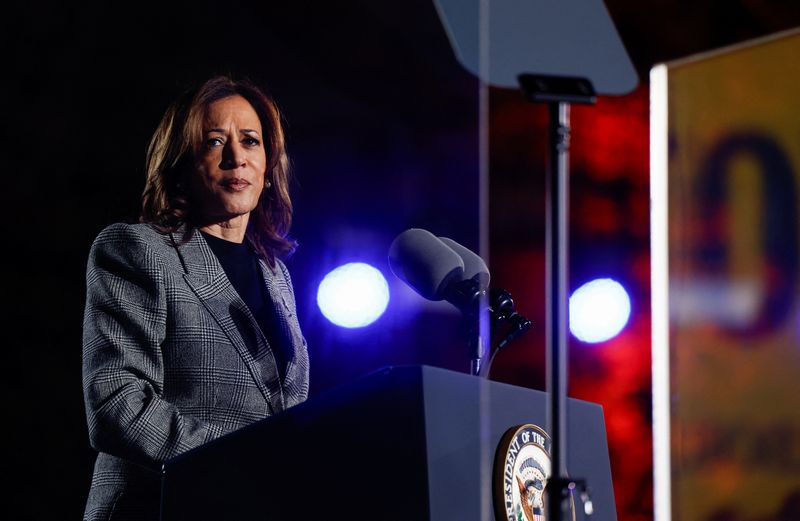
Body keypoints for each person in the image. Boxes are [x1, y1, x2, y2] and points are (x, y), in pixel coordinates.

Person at [82, 76, 309, 520]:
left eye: (250, 141)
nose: (236, 157)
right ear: (182, 163)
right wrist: (244, 462)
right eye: (214, 142)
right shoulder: (136, 250)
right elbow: (116, 403)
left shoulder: (276, 275)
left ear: (268, 167)